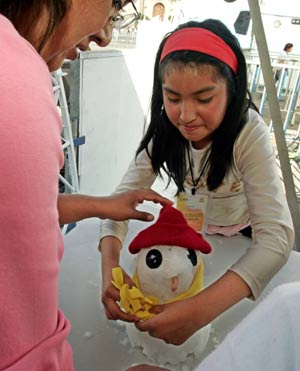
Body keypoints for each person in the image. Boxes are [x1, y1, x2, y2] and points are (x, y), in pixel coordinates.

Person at [99, 19, 294, 346]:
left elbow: (275, 237)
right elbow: (119, 204)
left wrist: (200, 311)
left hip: (242, 233)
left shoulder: (249, 133)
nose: (186, 116)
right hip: (194, 230)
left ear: (231, 90)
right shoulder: (164, 131)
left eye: (204, 99)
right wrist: (110, 272)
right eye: (172, 98)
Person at [0, 1, 172, 370]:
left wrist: (102, 205)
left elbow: (18, 216)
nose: (106, 34)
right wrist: (111, 260)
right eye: (113, 5)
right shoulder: (15, 87)